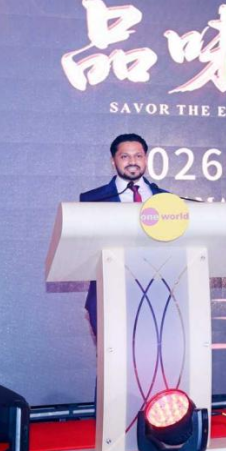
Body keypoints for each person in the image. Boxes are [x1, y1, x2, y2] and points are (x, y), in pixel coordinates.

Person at [79, 133, 169, 338]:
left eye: (138, 156)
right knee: (113, 354)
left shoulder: (167, 199)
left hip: (158, 293)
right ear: (113, 161)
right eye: (125, 156)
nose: (132, 162)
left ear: (146, 159)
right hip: (110, 292)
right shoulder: (92, 200)